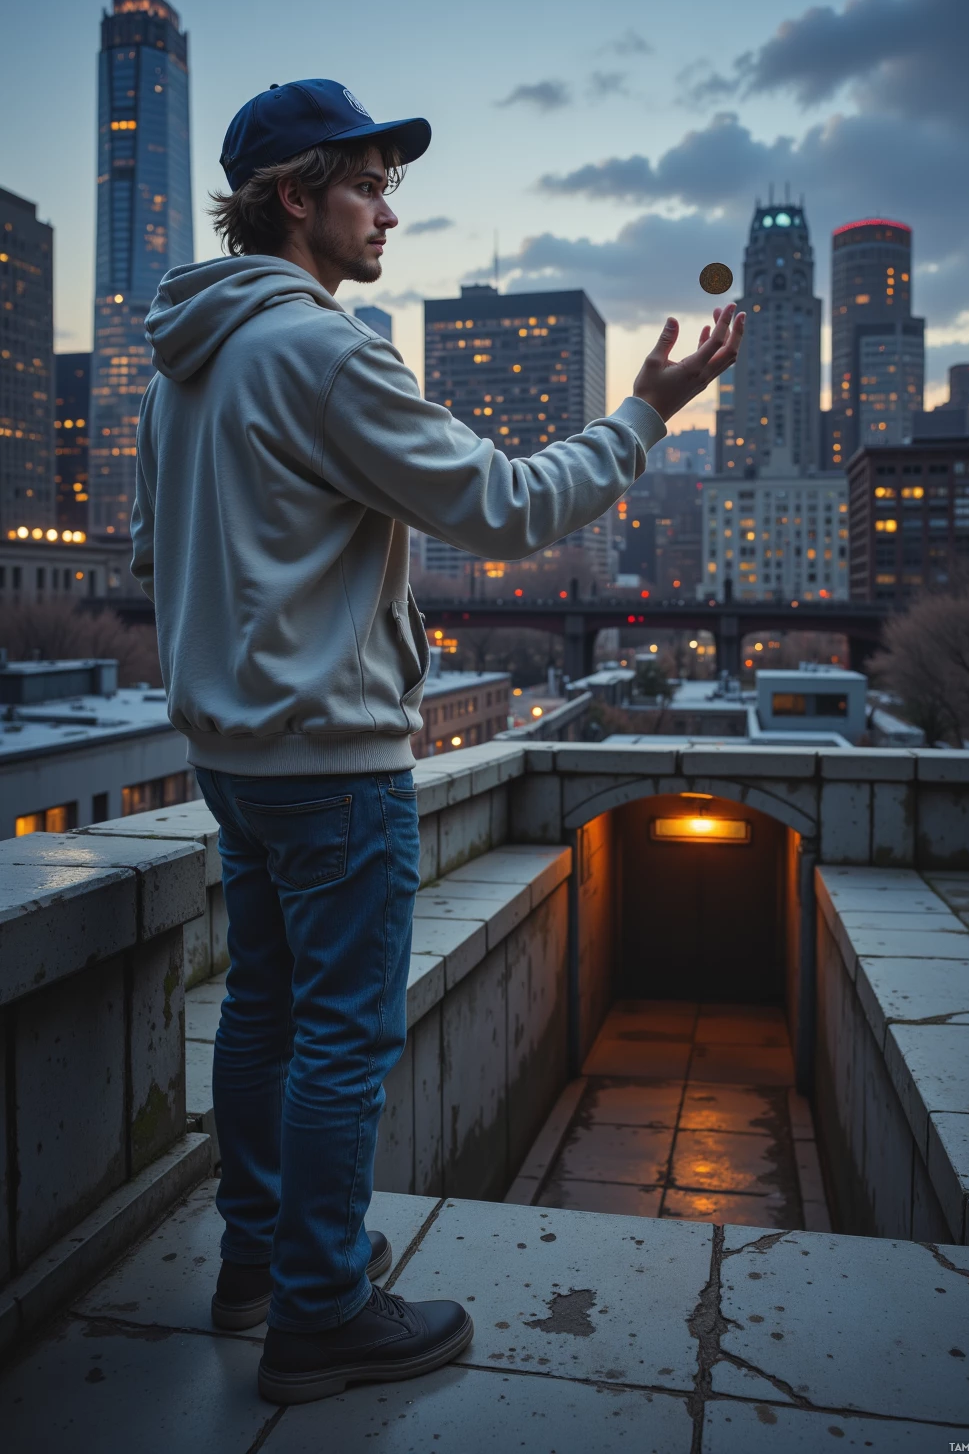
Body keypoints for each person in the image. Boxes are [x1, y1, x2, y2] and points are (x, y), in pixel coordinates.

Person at [130, 77, 743, 1406]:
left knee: (264, 1013)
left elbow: (147, 556)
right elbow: (510, 508)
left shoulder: (181, 363)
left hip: (230, 761)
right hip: (333, 766)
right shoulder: (321, 350)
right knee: (343, 1038)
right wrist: (646, 413)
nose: (388, 213)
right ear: (297, 198)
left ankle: (256, 1267)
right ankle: (322, 1311)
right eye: (367, 185)